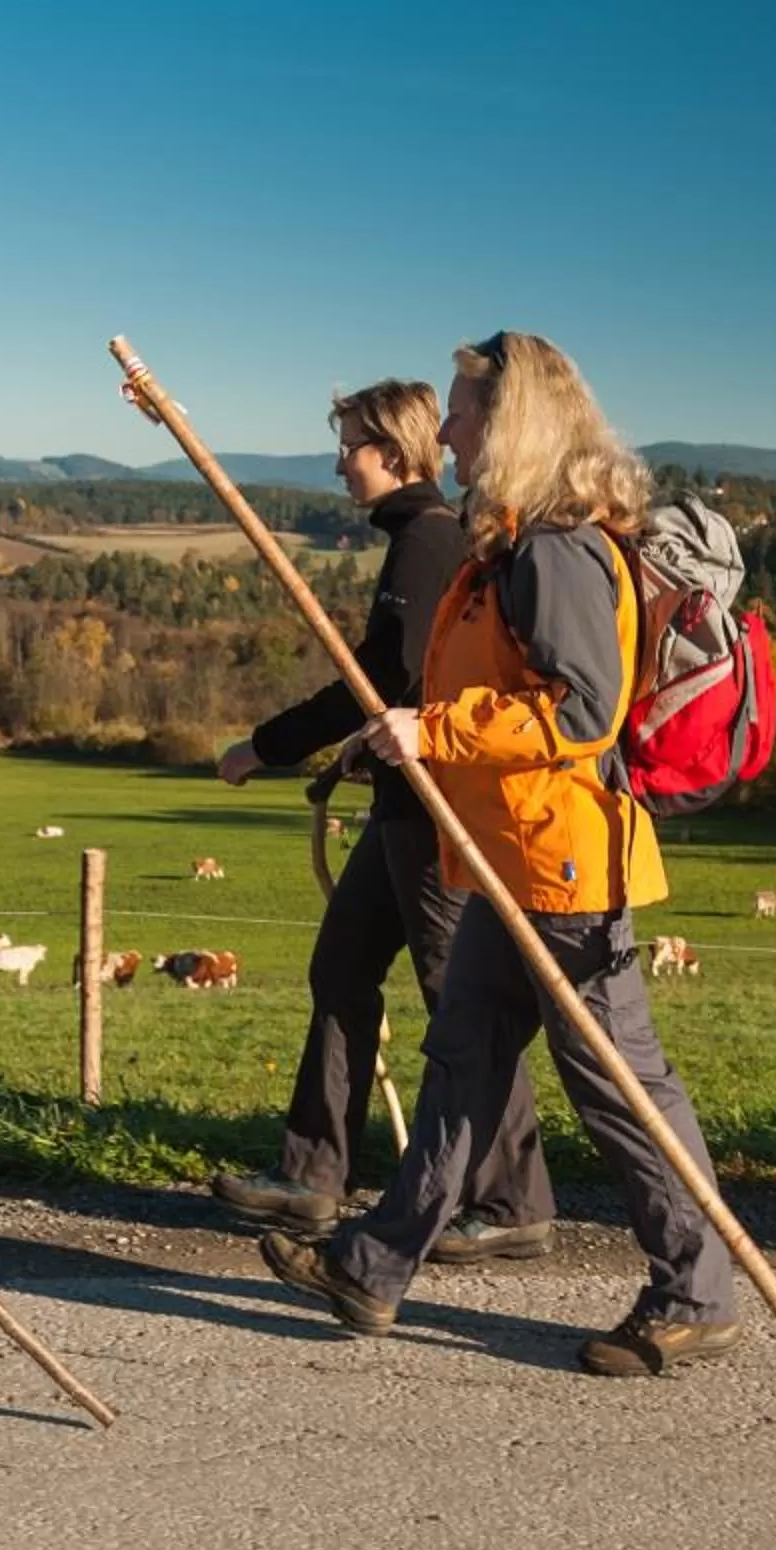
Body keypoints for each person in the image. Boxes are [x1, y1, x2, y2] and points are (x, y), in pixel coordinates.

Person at [253, 331, 742, 1377]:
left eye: (468, 413)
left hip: (565, 864)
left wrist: (439, 730)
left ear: (512, 422)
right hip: (505, 859)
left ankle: (696, 1290)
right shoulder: (513, 541)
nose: (455, 431)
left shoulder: (560, 547)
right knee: (463, 1065)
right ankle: (374, 1264)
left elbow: (585, 712)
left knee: (617, 1083)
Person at [207, 378, 555, 1261]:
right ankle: (313, 1176)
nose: (338, 463)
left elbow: (382, 677)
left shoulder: (427, 544)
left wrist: (267, 745)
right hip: (401, 802)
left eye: (351, 446)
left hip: (436, 811)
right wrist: (358, 748)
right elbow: (400, 682)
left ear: (394, 456)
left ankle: (514, 1201)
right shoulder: (420, 541)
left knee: (459, 997)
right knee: (342, 969)